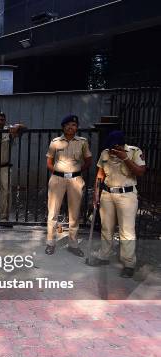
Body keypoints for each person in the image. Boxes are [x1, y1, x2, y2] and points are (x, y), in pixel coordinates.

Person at [91, 130, 146, 278]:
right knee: (106, 227)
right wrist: (96, 193)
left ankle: (128, 263)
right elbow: (100, 174)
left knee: (126, 230)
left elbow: (140, 171)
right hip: (107, 194)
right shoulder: (105, 153)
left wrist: (125, 158)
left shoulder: (134, 152)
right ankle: (104, 256)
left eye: (115, 148)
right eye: (110, 148)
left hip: (126, 195)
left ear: (121, 145)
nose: (112, 151)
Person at [45, 115, 92, 256]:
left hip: (75, 180)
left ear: (77, 127)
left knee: (75, 213)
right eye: (68, 125)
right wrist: (58, 172)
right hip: (57, 179)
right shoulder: (55, 142)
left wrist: (76, 172)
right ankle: (50, 243)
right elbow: (49, 162)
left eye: (74, 125)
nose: (71, 127)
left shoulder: (83, 142)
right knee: (53, 212)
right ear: (63, 127)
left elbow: (88, 160)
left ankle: (73, 244)